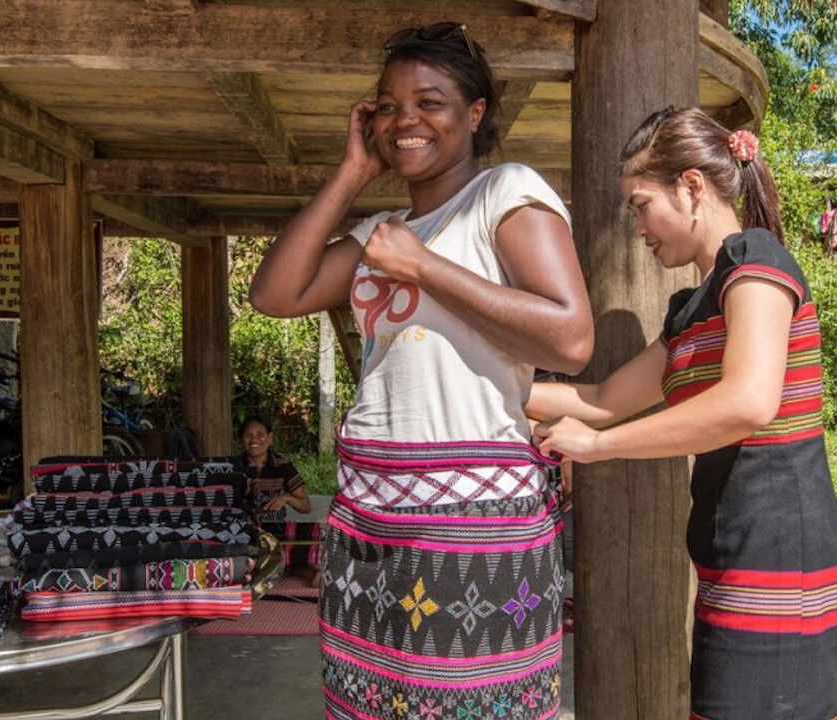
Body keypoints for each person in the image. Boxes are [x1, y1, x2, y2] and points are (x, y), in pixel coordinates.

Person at [249, 20, 593, 720]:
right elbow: (274, 294)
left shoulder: (503, 193)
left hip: (470, 523)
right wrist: (352, 173)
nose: (405, 118)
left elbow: (570, 338)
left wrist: (424, 268)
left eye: (429, 101)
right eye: (389, 103)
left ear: (475, 114)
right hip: (369, 520)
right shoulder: (382, 231)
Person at [527, 107, 837, 720]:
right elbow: (599, 400)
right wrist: (488, 384)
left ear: (692, 187)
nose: (637, 227)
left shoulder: (757, 261)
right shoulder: (690, 307)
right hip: (731, 566)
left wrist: (598, 448)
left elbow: (747, 402)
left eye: (639, 204)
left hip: (786, 572)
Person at [233, 414, 321, 587]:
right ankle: (280, 567)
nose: (254, 440)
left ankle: (274, 566)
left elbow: (306, 506)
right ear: (241, 440)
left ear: (270, 438)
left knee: (309, 532)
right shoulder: (233, 467)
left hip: (275, 532)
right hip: (242, 531)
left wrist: (287, 497)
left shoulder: (283, 467)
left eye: (260, 434)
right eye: (248, 435)